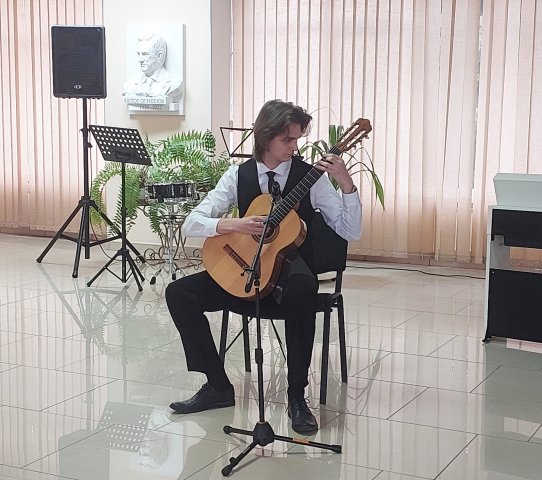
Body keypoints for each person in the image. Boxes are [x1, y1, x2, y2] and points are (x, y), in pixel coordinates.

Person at [165, 99, 362, 435]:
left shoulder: (310, 178)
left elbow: (350, 231)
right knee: (179, 293)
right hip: (244, 273)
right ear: (265, 137)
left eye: (297, 139)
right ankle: (217, 385)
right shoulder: (237, 175)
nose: (295, 146)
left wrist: (346, 185)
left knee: (302, 288)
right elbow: (192, 223)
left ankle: (297, 397)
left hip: (287, 278)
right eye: (288, 139)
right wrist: (235, 225)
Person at [122, 33, 182, 99]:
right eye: (138, 54)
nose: (140, 60)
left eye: (145, 54)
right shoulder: (129, 85)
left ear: (159, 56)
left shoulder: (173, 84)